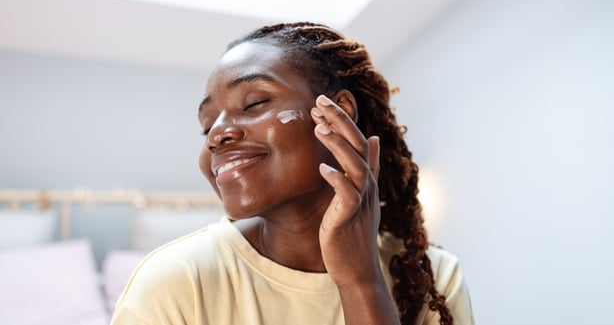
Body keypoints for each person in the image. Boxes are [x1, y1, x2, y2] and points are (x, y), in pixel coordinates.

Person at [111, 22, 474, 325]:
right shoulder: (175, 281)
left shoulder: (432, 278)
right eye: (207, 126)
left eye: (254, 103)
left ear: (338, 112)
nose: (217, 136)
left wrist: (361, 281)